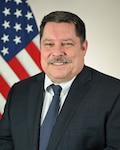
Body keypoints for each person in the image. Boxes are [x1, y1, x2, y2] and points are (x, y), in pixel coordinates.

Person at [0, 11, 120, 150]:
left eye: (67, 43)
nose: (57, 52)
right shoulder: (19, 91)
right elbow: (4, 142)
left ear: (83, 47)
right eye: (49, 44)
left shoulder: (113, 93)